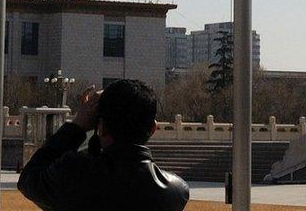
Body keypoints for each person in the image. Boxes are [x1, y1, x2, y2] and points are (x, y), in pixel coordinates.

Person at [17, 80, 188, 211]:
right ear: (153, 128)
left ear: (101, 127)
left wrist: (77, 126)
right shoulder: (176, 192)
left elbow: (29, 179)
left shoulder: (73, 174)